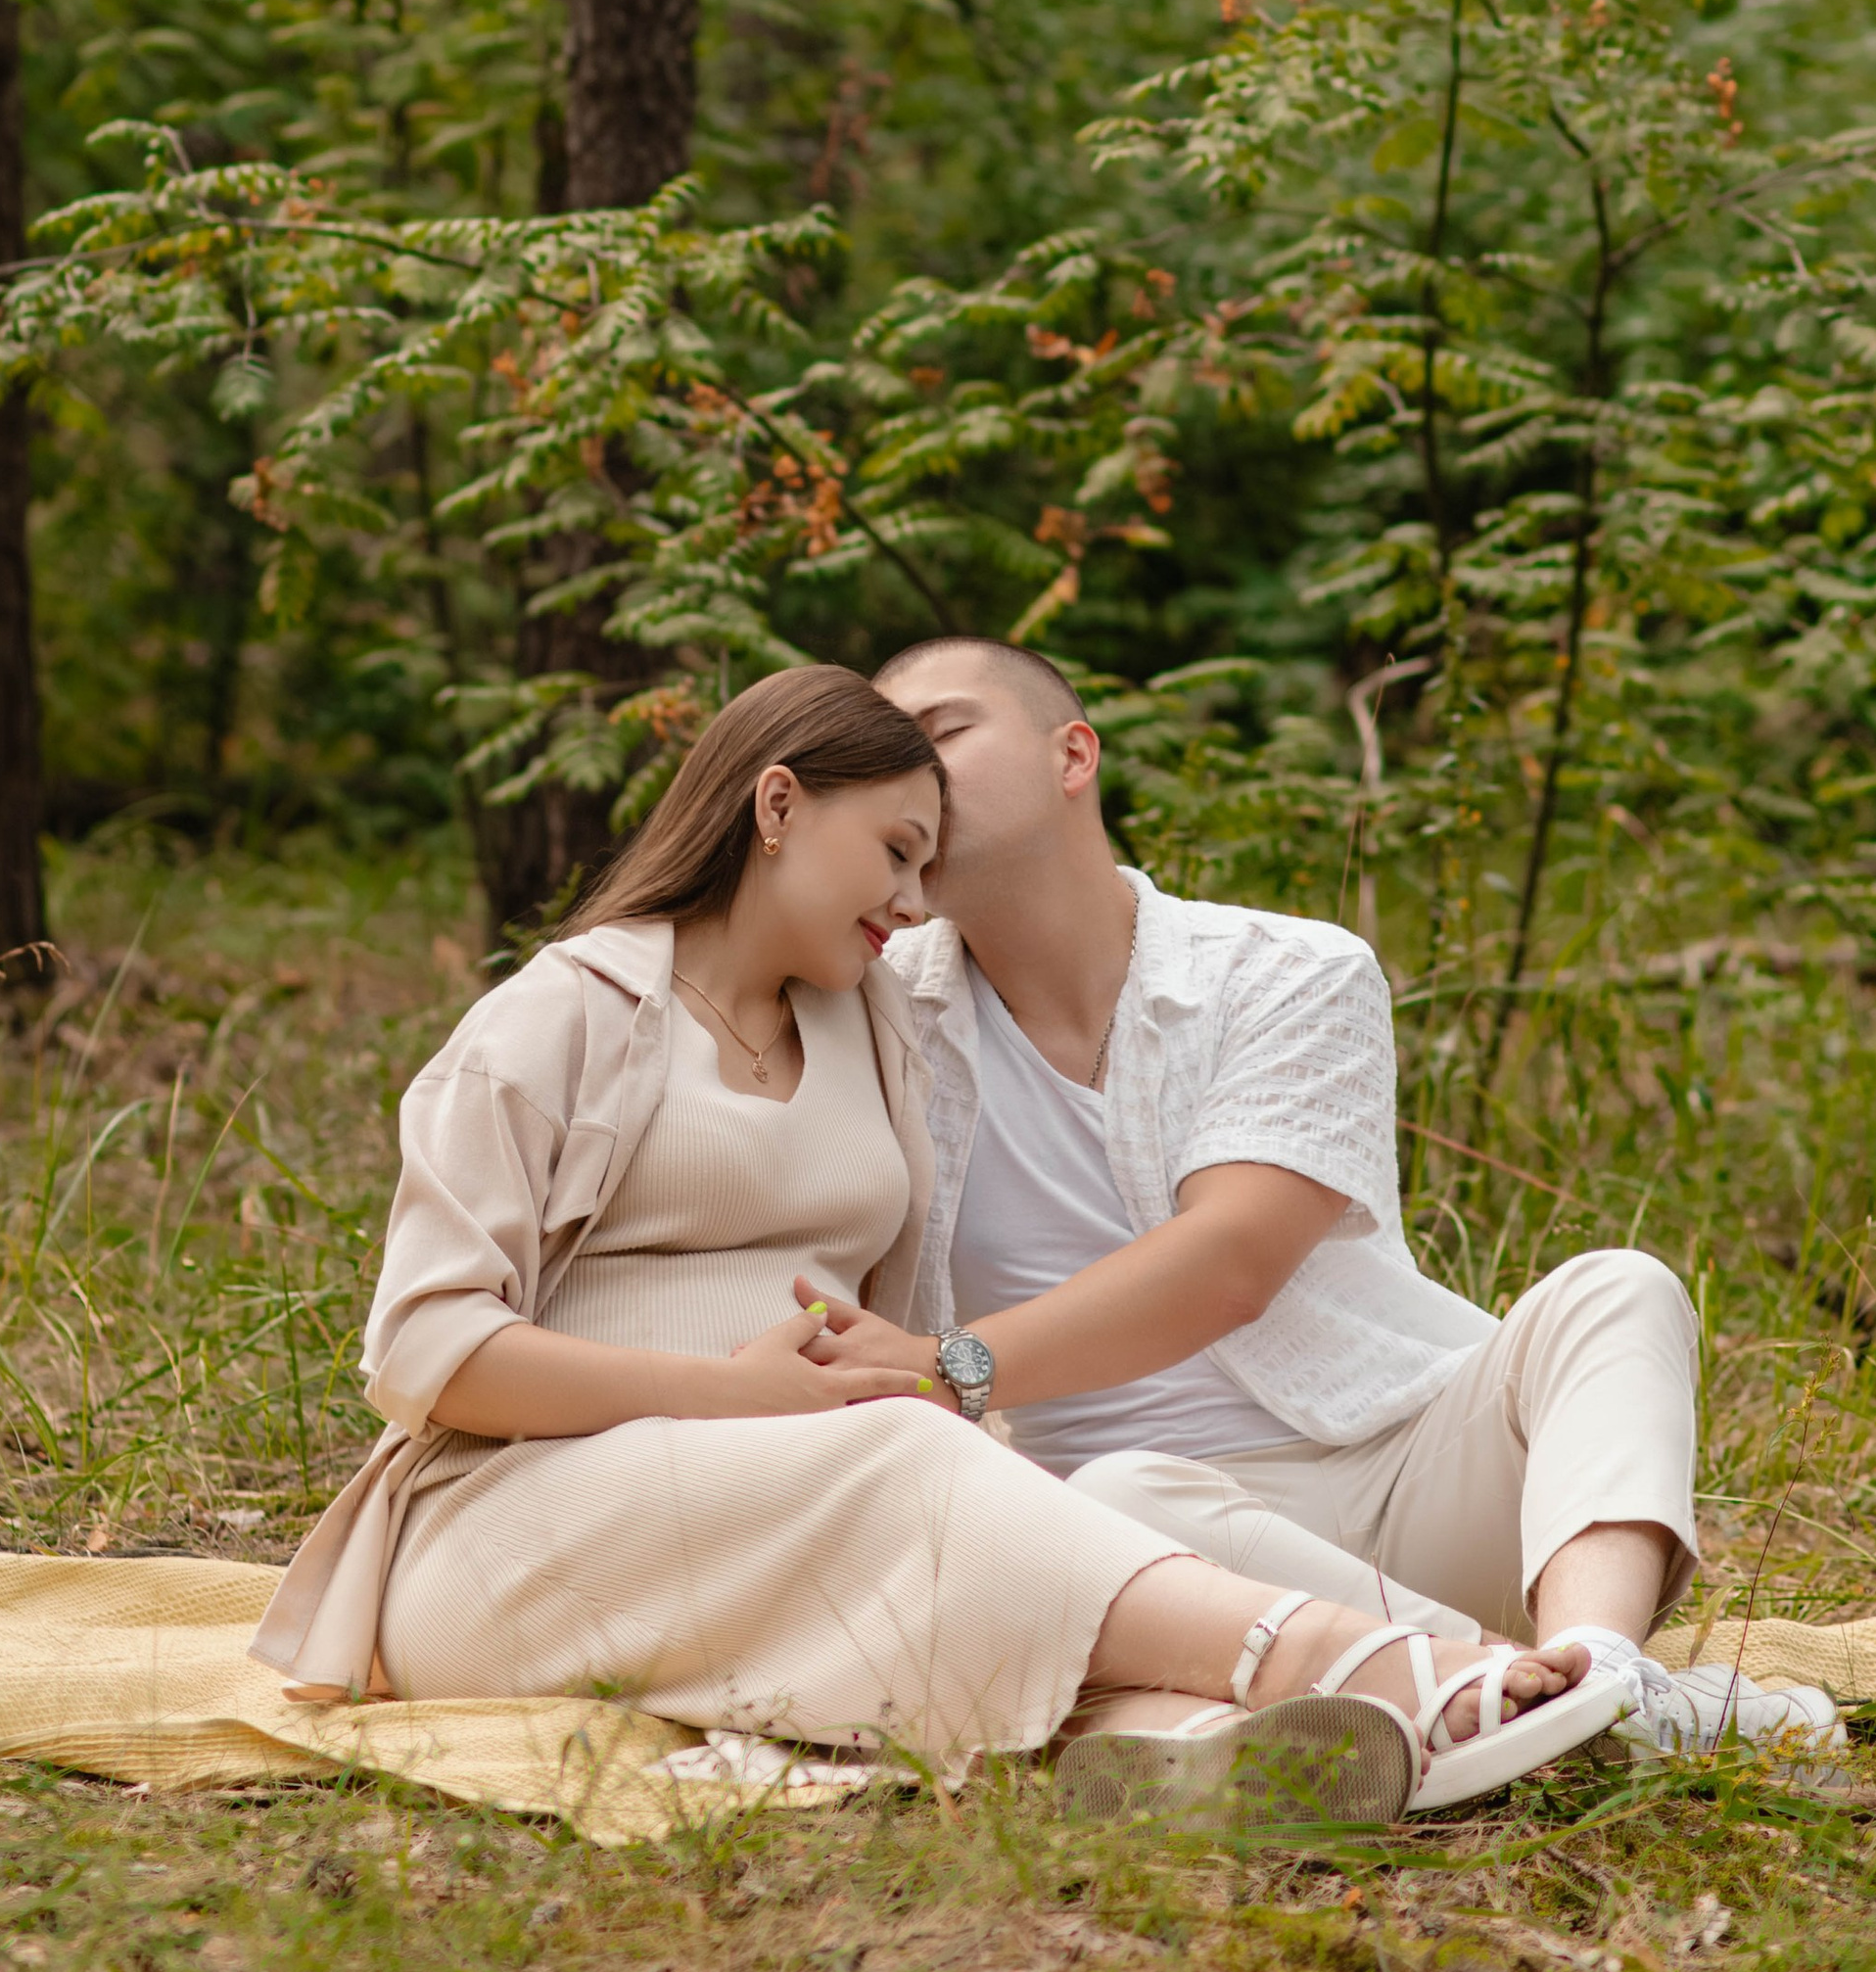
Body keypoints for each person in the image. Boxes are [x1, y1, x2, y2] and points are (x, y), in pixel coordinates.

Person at [251, 665, 1633, 1825]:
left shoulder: (879, 1035)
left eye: (930, 862)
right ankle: (1363, 1656)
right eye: (897, 851)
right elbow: (425, 1351)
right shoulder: (565, 1013)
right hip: (511, 1524)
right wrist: (734, 1394)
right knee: (911, 1446)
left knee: (972, 1497)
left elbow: (921, 1324)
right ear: (776, 804)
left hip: (788, 1498)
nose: (915, 901)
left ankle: (1187, 1759)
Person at [802, 638, 1838, 1767]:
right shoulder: (874, 1014)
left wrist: (946, 1364)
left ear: (1073, 755)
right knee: (1113, 1493)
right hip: (1169, 1550)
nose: (916, 773)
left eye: (943, 731)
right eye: (887, 757)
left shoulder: (1286, 970)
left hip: (1408, 1467)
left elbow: (1231, 1259)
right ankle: (1517, 1692)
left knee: (1617, 1288)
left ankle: (1603, 1665)